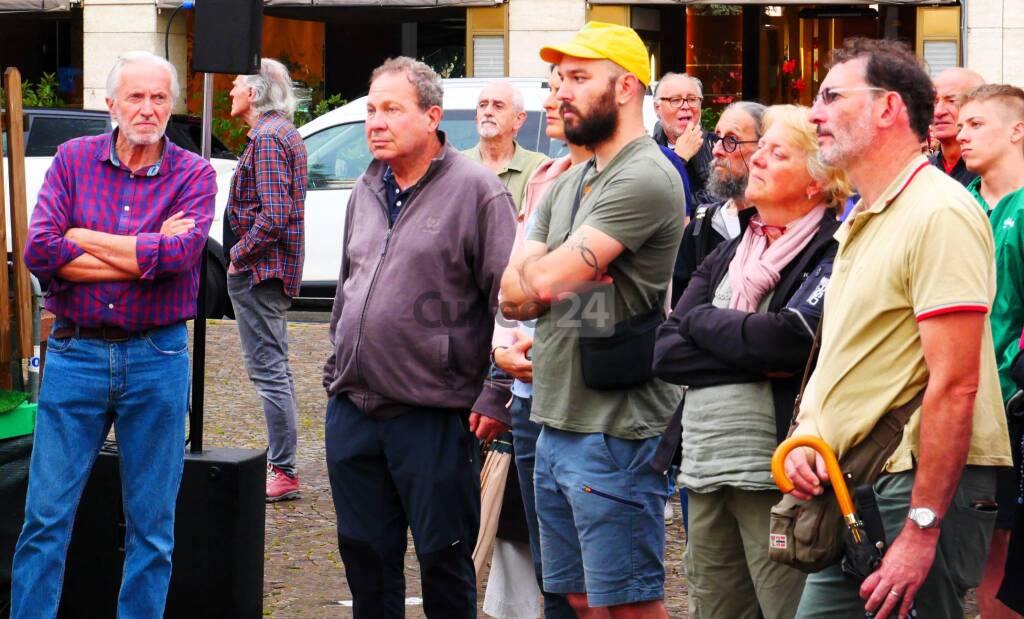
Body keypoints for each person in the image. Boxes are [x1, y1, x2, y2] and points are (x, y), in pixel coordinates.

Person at [788, 38, 1013, 619]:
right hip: (855, 484)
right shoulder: (869, 212)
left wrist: (922, 526)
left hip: (908, 488)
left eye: (832, 96)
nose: (815, 114)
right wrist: (809, 437)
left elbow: (957, 383)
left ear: (888, 108)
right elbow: (848, 356)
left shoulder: (938, 212)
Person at [11, 50, 215, 618]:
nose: (148, 109)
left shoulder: (194, 173)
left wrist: (84, 236)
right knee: (45, 519)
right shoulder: (73, 159)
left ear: (171, 106)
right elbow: (40, 249)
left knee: (152, 525)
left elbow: (180, 256)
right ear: (111, 104)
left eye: (159, 98)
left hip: (157, 355)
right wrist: (142, 252)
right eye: (136, 97)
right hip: (75, 353)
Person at [499, 21, 685, 618]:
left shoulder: (645, 175)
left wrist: (548, 279)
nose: (561, 93)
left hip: (615, 425)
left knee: (628, 601)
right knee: (578, 596)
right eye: (558, 79)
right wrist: (560, 284)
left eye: (579, 78)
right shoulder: (570, 178)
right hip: (554, 413)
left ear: (626, 87)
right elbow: (511, 295)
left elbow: (544, 281)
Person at [321, 56, 515, 618]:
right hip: (354, 410)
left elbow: (511, 302)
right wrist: (337, 368)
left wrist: (496, 391)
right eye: (371, 110)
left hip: (433, 416)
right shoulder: (366, 187)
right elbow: (347, 285)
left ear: (432, 117)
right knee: (365, 562)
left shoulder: (478, 192)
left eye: (392, 110)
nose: (375, 123)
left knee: (444, 564)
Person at [653, 104, 849, 619]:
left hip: (781, 474)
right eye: (758, 150)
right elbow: (668, 349)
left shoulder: (834, 249)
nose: (757, 161)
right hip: (704, 466)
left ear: (817, 181)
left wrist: (705, 327)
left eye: (776, 153)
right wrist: (749, 353)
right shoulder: (732, 249)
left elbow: (789, 341)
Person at [487, 65, 589, 619]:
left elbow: (599, 296)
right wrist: (503, 353)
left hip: (586, 404)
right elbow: (510, 286)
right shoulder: (546, 175)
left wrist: (535, 314)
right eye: (550, 88)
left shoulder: (632, 179)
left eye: (566, 87)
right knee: (550, 567)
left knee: (592, 581)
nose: (554, 99)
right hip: (527, 396)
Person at [224, 58, 308, 502]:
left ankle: (284, 469)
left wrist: (237, 256)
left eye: (237, 83)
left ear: (255, 93)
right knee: (275, 369)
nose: (231, 89)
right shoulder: (274, 134)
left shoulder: (271, 138)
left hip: (260, 272)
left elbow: (274, 215)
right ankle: (284, 463)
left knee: (270, 372)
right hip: (263, 272)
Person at [956, 83, 1024, 619]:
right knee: (969, 534)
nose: (962, 133)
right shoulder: (961, 204)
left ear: (1017, 130)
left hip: (1008, 404)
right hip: (954, 398)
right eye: (961, 123)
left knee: (1002, 538)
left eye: (976, 123)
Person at [673, 100, 766, 306]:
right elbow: (679, 316)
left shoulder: (784, 233)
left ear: (765, 149)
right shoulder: (702, 225)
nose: (716, 150)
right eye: (717, 137)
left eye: (731, 140)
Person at [464, 81, 549, 212]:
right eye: (482, 105)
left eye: (498, 106)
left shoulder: (538, 167)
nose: (487, 112)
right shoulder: (456, 164)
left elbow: (534, 226)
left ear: (518, 119)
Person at [653, 72, 717, 205]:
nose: (686, 106)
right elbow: (652, 200)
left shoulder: (718, 146)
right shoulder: (647, 152)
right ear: (657, 108)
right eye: (675, 100)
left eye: (692, 99)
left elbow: (722, 196)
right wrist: (679, 158)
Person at [930, 67, 985, 186]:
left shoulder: (992, 173)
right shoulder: (922, 172)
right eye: (934, 102)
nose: (938, 112)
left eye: (952, 101)